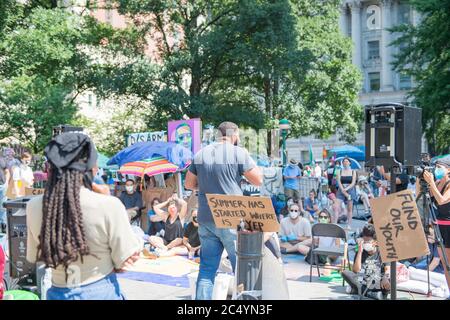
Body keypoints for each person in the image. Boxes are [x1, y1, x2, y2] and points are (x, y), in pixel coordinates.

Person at [26, 132, 142, 300]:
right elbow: (123, 260)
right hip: (101, 290)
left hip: (58, 291)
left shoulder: (34, 206)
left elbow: (34, 257)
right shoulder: (109, 205)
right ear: (92, 168)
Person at [184, 121, 262, 300]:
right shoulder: (238, 153)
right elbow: (258, 180)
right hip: (230, 217)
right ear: (235, 136)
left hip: (206, 216)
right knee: (240, 269)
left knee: (206, 269)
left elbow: (188, 184)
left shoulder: (201, 153)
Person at [422, 162, 450, 294]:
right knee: (445, 265)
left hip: (449, 228)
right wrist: (420, 180)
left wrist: (431, 181)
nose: (437, 169)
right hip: (440, 227)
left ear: (448, 169)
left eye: (440, 167)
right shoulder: (439, 183)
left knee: (449, 264)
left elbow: (441, 200)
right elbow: (425, 195)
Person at [342, 224, 390, 300]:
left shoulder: (382, 251)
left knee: (390, 279)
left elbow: (388, 268)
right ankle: (372, 294)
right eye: (364, 241)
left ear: (376, 242)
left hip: (378, 282)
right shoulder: (361, 251)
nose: (365, 243)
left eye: (368, 241)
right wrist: (360, 252)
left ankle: (356, 290)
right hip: (363, 282)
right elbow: (356, 270)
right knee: (345, 273)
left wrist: (385, 277)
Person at [336, 157, 357, 229]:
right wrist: (343, 190)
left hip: (350, 189)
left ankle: (349, 224)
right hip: (341, 189)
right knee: (336, 206)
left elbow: (353, 182)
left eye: (347, 161)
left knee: (349, 208)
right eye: (344, 161)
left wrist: (346, 189)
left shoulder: (353, 171)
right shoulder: (339, 171)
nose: (345, 162)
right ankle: (335, 223)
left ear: (349, 163)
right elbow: (338, 181)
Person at [0, 155, 10, 232]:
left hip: (3, 185)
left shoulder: (2, 159)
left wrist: (6, 182)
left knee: (3, 205)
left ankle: (3, 225)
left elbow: (7, 171)